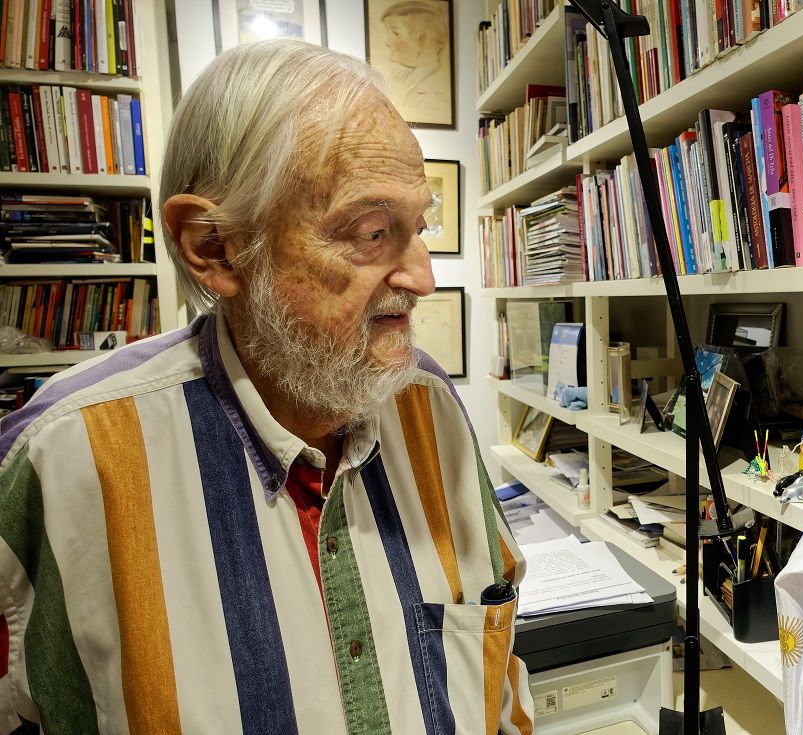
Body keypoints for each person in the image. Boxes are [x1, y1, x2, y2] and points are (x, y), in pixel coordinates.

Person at [0, 41, 533, 734]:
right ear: (215, 246)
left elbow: (496, 683)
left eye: (418, 227)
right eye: (373, 232)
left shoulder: (428, 404)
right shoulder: (64, 459)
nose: (423, 277)